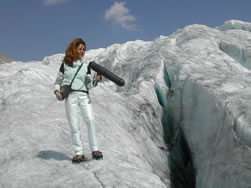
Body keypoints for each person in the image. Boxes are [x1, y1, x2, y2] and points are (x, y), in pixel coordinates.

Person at [54, 38, 103, 163]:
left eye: (84, 50)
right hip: (70, 96)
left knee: (90, 121)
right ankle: (79, 153)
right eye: (80, 49)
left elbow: (88, 84)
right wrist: (57, 92)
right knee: (74, 125)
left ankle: (95, 149)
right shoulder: (64, 65)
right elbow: (58, 81)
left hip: (84, 96)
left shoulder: (86, 67)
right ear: (73, 49)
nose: (82, 51)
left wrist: (95, 80)